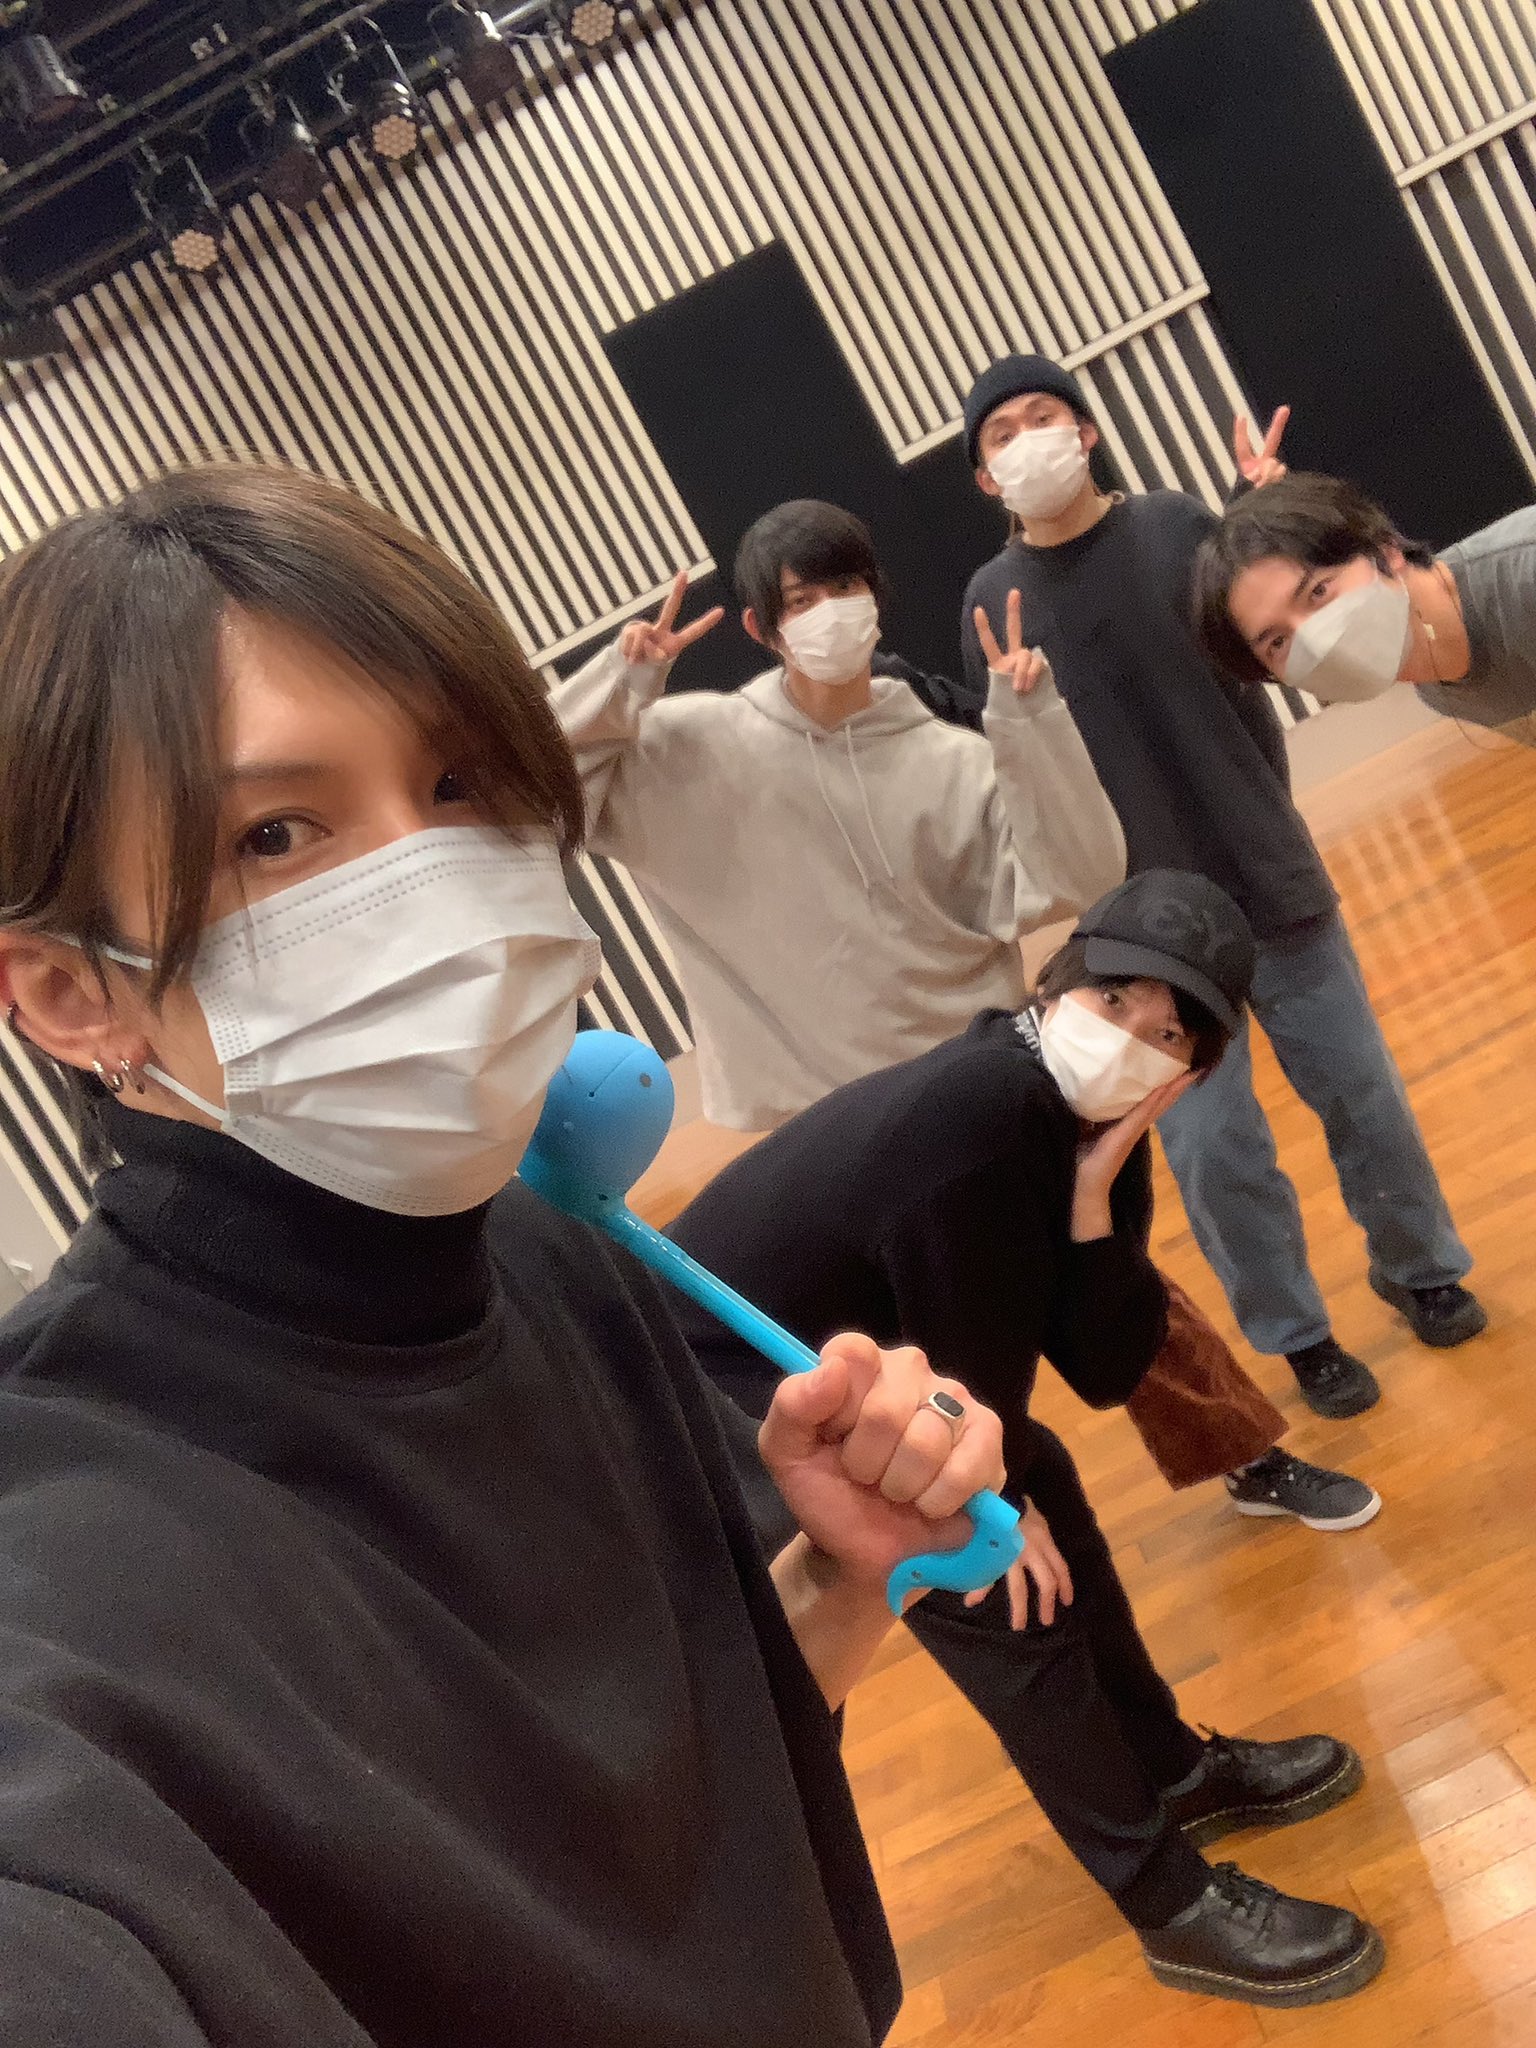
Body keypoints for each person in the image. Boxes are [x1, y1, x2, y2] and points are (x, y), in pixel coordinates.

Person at [0, 462, 1020, 2048]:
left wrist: (836, 1579)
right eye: (277, 833)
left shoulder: (551, 1256)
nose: (432, 884)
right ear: (76, 995)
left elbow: (635, 1853)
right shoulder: (64, 1554)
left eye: (459, 781)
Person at [668, 870, 1384, 2010]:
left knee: (1034, 1480)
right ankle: (1168, 1901)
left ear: (1193, 1072)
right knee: (996, 1576)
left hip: (864, 1376)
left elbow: (1103, 1365)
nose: (1130, 1037)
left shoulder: (1088, 1135)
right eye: (1115, 998)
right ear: (1058, 984)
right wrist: (997, 1517)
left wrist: (1094, 1204)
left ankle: (1170, 1768)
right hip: (722, 1399)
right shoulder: (987, 1109)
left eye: (1169, 1032)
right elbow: (969, 1379)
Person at [958, 355, 1484, 1418]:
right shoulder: (990, 604)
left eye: (1043, 416)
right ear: (983, 475)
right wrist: (1017, 708)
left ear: (1086, 430)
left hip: (1263, 863)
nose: (1026, 441)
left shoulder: (1173, 527)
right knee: (1217, 1154)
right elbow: (1026, 790)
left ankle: (1420, 1266)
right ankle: (1299, 1338)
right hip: (1141, 940)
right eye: (1001, 433)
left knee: (1364, 1095)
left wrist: (1273, 518)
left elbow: (1274, 631)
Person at [549, 498, 1125, 1132]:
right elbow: (537, 792)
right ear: (761, 628)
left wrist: (1031, 722)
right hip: (815, 1128)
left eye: (846, 587)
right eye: (802, 601)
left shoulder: (957, 762)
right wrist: (619, 683)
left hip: (972, 1090)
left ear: (874, 597)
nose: (830, 611)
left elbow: (1079, 878)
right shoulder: (686, 751)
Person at [1188, 469, 1536, 742]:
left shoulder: (1525, 577)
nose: (1315, 642)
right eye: (1278, 642)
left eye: (1318, 592)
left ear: (1385, 549)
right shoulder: (1431, 680)